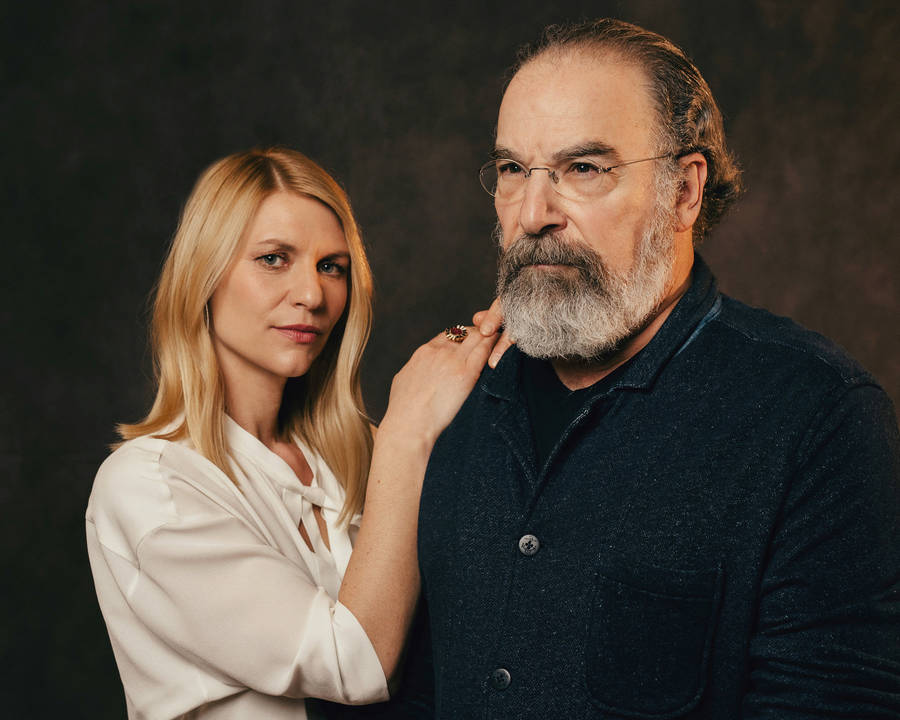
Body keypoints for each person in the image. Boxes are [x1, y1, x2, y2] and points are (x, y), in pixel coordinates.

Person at [417, 18, 900, 719]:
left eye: (583, 169)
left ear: (684, 191)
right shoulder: (451, 401)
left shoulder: (817, 417)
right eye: (514, 170)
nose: (532, 213)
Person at [85, 147, 499, 719]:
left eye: (332, 266)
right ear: (204, 276)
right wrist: (409, 430)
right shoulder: (150, 487)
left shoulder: (358, 455)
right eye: (275, 259)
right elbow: (354, 664)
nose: (312, 295)